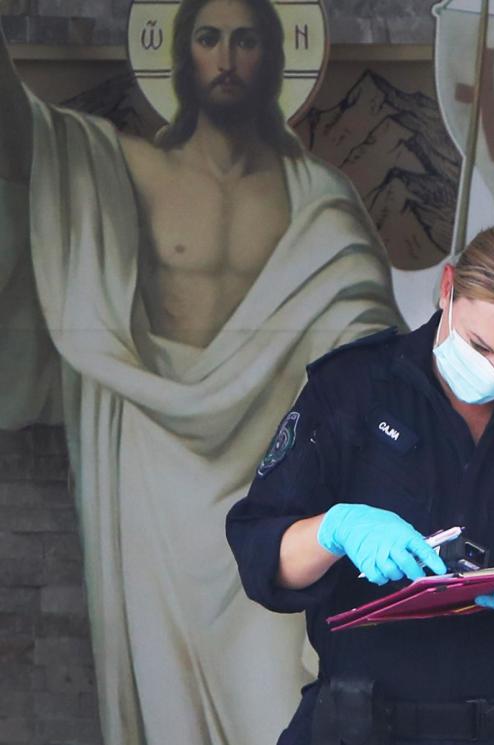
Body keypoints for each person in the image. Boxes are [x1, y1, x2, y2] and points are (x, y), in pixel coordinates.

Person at [0, 2, 401, 743]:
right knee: (166, 706)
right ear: (180, 56)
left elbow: (368, 350)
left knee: (275, 696)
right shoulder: (120, 167)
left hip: (276, 481)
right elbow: (17, 137)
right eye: (208, 38)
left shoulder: (317, 199)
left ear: (275, 59)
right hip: (153, 476)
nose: (225, 56)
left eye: (246, 39)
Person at [226, 222, 494, 744]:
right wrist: (336, 528)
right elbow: (261, 553)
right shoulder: (352, 389)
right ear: (447, 288)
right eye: (480, 347)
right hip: (369, 726)